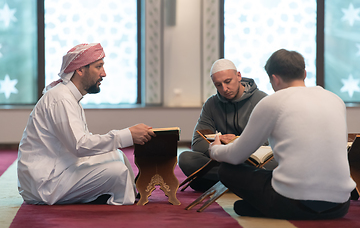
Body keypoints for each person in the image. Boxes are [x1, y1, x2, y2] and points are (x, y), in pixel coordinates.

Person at [209, 49, 356, 220]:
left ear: (274, 78)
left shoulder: (272, 102)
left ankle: (271, 209)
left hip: (292, 202)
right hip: (340, 206)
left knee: (227, 170)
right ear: (305, 74)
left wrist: (215, 150)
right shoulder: (335, 100)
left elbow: (235, 157)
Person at [17, 43, 155, 205]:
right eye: (99, 67)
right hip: (45, 182)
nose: (104, 73)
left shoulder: (68, 97)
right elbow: (80, 146)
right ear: (80, 70)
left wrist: (124, 138)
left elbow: (82, 144)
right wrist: (127, 135)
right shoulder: (61, 99)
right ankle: (120, 205)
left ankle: (122, 195)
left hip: (60, 167)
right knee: (118, 172)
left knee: (117, 155)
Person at [178, 58, 268, 191]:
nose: (224, 89)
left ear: (238, 76)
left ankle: (219, 180)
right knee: (186, 159)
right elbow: (197, 143)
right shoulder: (211, 104)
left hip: (250, 160)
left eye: (227, 82)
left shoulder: (262, 101)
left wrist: (235, 143)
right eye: (218, 85)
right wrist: (219, 145)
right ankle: (238, 180)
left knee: (275, 162)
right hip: (224, 160)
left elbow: (267, 143)